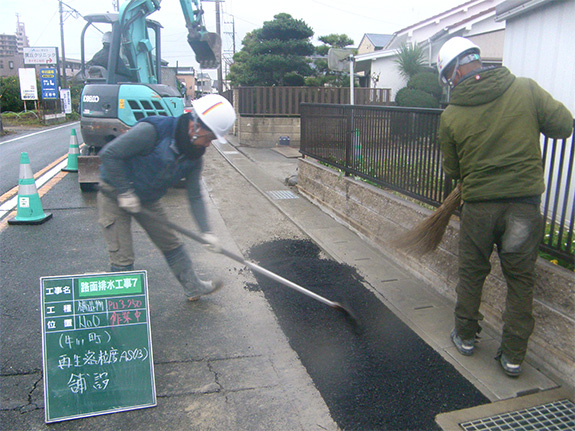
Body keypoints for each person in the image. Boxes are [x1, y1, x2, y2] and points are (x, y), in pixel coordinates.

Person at [436, 37, 572, 377]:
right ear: (477, 60)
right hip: (523, 211)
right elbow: (563, 125)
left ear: (453, 73)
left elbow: (453, 171)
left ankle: (466, 337)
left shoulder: (451, 115)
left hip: (480, 209)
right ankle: (513, 357)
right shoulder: (525, 89)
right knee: (520, 281)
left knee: (472, 273)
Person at [97, 94, 237, 301]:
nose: (208, 144)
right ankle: (124, 308)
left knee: (171, 243)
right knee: (122, 255)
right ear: (195, 125)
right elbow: (109, 154)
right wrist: (124, 191)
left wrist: (206, 232)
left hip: (147, 199)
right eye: (209, 137)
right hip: (114, 193)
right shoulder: (153, 131)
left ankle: (194, 287)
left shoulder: (193, 156)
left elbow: (195, 195)